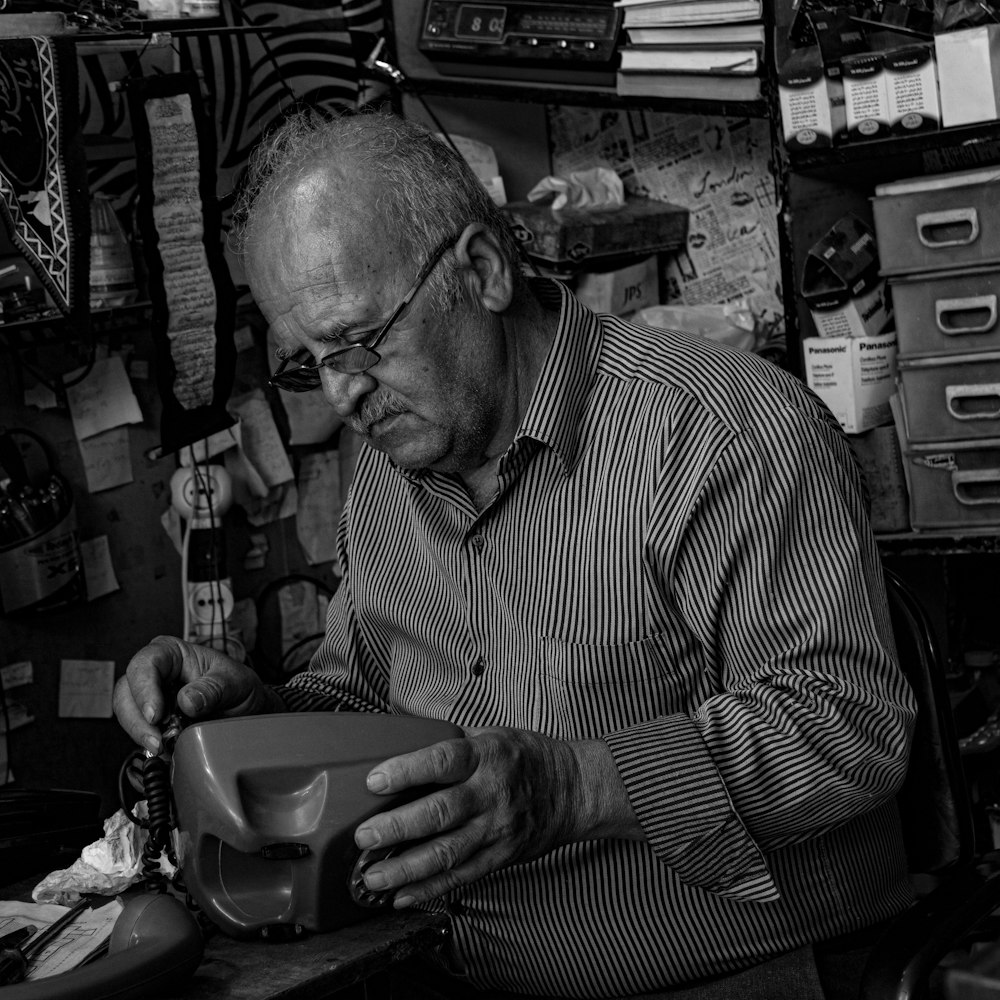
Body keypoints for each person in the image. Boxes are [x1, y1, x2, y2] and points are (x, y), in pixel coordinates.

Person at [114, 108, 916, 1000]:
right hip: (446, 963)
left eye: (357, 342)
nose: (341, 395)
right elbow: (362, 704)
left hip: (735, 970)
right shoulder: (394, 465)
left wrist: (575, 787)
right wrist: (251, 713)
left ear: (483, 272)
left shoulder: (721, 432)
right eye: (307, 366)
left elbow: (850, 725)